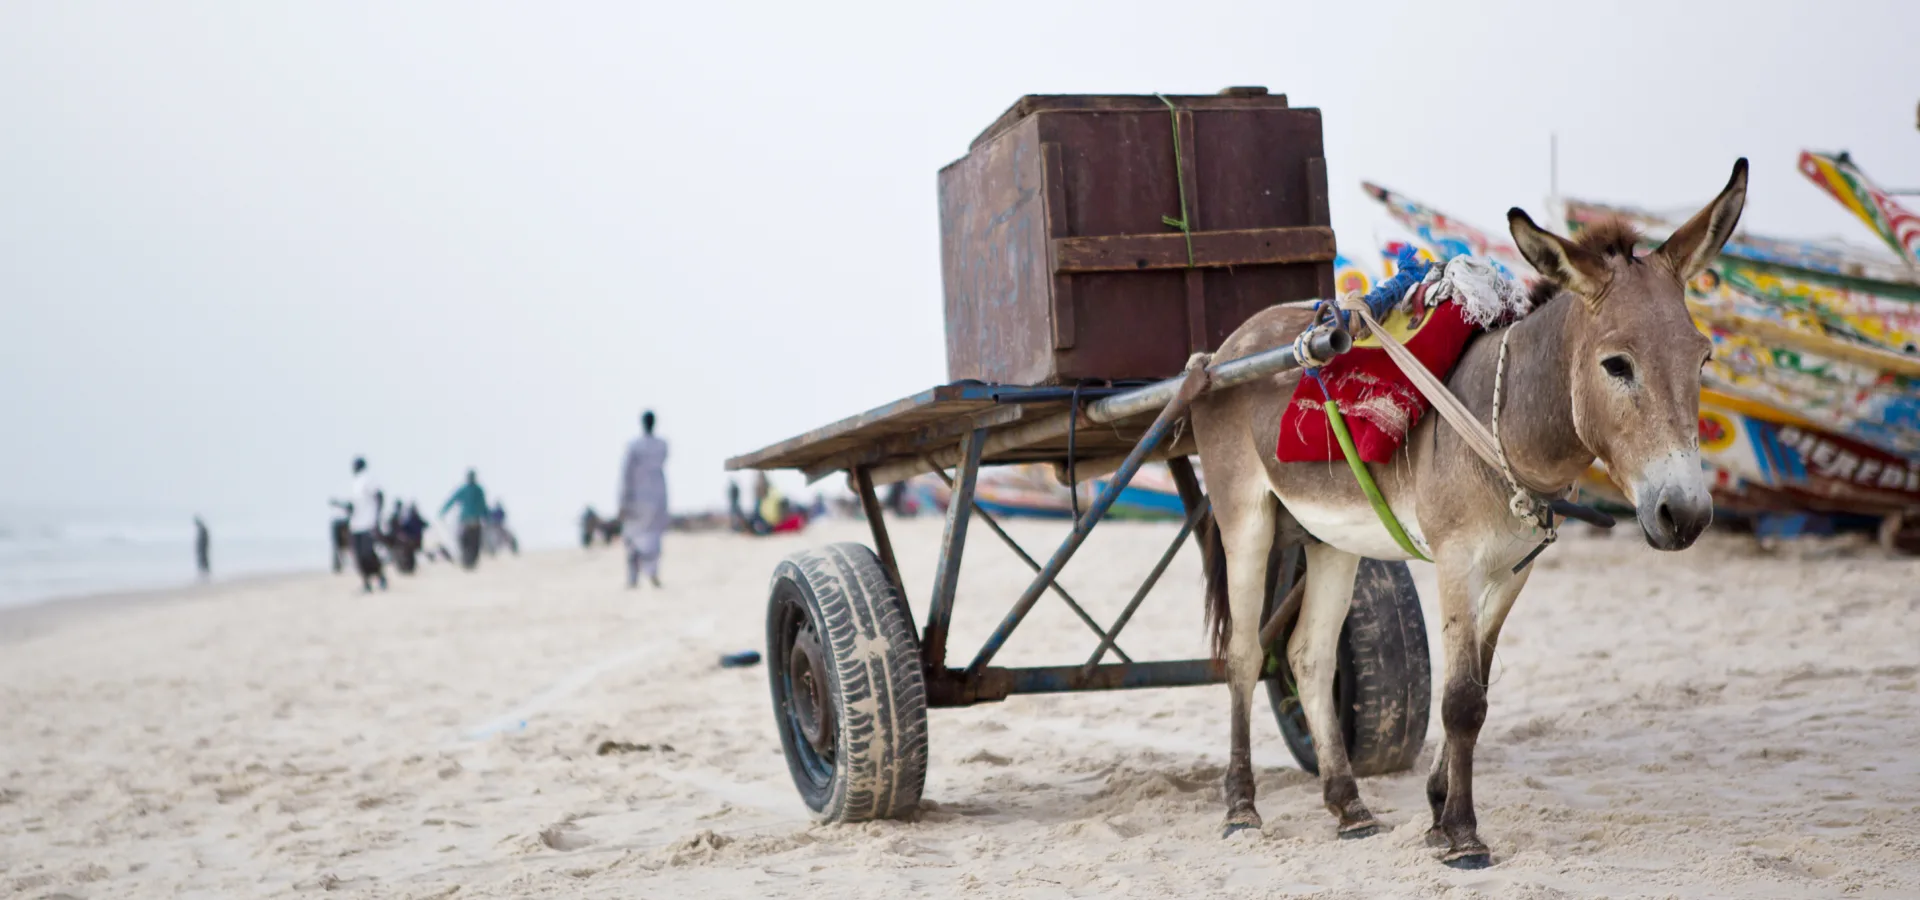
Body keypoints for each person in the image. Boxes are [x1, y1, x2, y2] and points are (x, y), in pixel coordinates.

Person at [618, 410, 669, 588]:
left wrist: (623, 501)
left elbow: (626, 474)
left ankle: (638, 576)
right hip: (653, 497)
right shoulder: (661, 445)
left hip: (639, 498)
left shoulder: (636, 446)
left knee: (636, 538)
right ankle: (648, 573)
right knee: (648, 539)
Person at [345, 457, 388, 592]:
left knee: (367, 554)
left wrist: (377, 518)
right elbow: (354, 506)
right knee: (358, 555)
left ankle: (380, 578)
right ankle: (366, 583)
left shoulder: (367, 479)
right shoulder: (355, 483)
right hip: (356, 524)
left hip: (367, 523)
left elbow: (379, 496)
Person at [441, 469, 490, 570]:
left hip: (466, 522)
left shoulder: (466, 489)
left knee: (465, 542)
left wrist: (443, 511)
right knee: (473, 544)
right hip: (475, 522)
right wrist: (487, 517)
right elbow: (484, 506)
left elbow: (452, 500)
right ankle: (469, 563)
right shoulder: (478, 490)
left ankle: (467, 562)